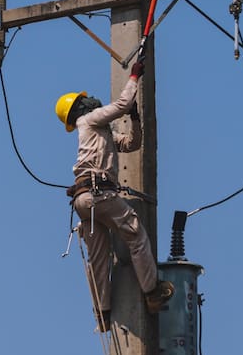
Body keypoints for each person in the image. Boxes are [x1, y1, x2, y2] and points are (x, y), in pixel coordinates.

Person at [54, 60, 173, 332]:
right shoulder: (89, 119)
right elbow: (119, 104)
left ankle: (102, 312)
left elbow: (132, 143)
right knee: (136, 234)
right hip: (99, 194)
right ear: (79, 108)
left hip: (85, 201)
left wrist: (135, 117)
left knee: (98, 258)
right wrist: (134, 77)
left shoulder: (100, 131)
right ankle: (151, 291)